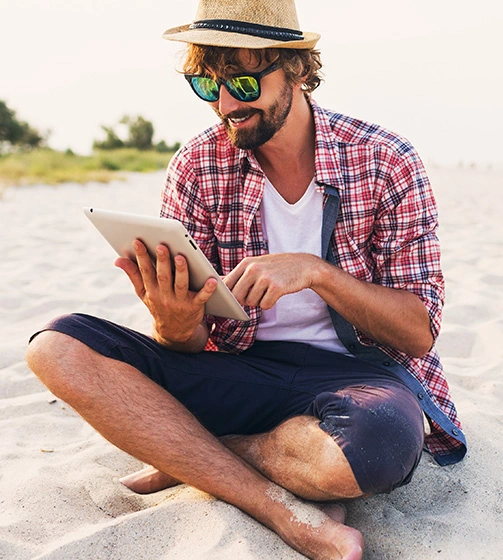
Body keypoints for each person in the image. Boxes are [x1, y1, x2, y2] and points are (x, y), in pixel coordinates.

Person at [26, 0, 467, 558]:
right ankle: (284, 511)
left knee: (376, 448)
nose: (227, 104)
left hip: (359, 376)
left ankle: (200, 453)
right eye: (207, 86)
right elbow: (184, 345)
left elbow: (418, 333)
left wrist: (315, 274)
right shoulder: (197, 165)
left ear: (298, 70)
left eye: (243, 80)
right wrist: (174, 321)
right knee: (56, 348)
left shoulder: (384, 160)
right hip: (239, 369)